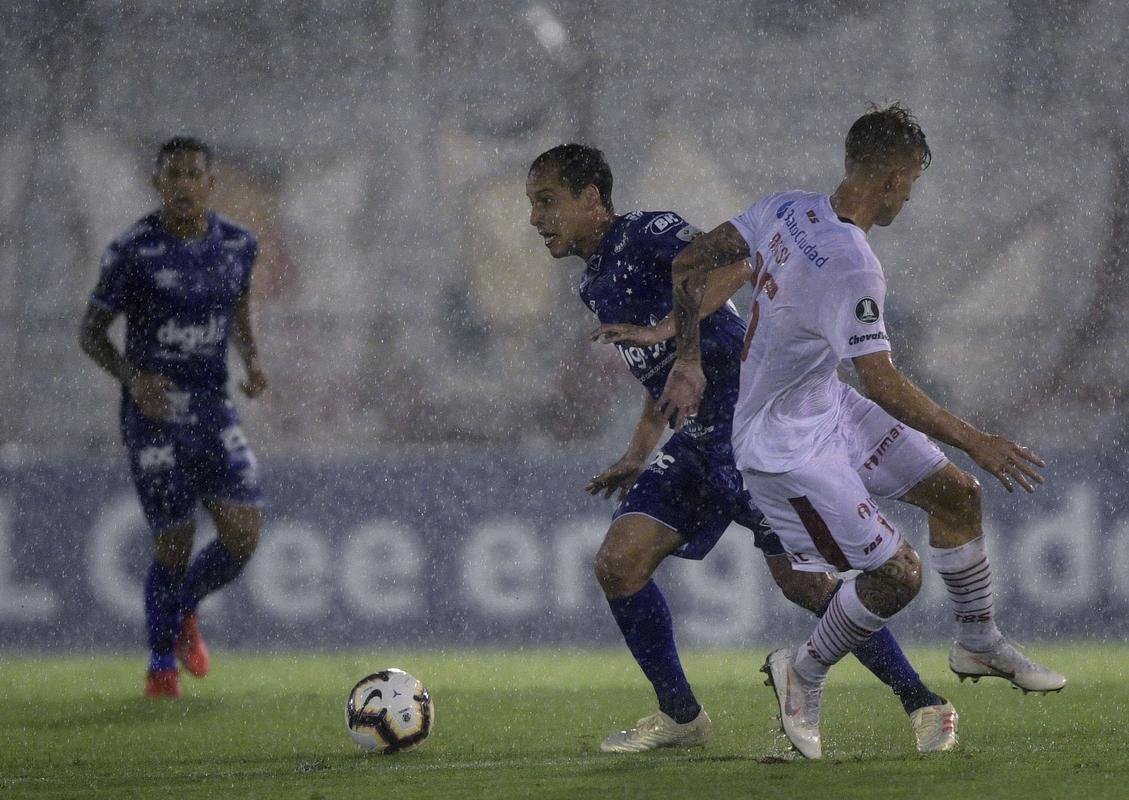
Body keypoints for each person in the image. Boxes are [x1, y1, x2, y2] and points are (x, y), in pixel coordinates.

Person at [657, 104, 1065, 760]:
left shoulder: (785, 208)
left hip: (827, 404)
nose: (909, 197)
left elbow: (685, 263)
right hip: (785, 446)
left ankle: (978, 641)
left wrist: (687, 358)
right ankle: (804, 670)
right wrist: (977, 440)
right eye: (911, 183)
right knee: (897, 577)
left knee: (957, 496)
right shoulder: (853, 266)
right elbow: (881, 381)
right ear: (893, 179)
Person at [526, 143, 957, 755]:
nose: (536, 218)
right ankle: (682, 717)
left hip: (752, 429)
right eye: (533, 205)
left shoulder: (647, 233)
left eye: (547, 201)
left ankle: (924, 703)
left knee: (806, 586)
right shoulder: (594, 281)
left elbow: (747, 261)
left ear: (591, 197)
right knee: (618, 564)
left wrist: (674, 336)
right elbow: (661, 374)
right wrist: (638, 450)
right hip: (698, 441)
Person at [79, 136, 266, 699]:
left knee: (243, 533)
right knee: (174, 541)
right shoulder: (133, 251)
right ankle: (161, 669)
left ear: (210, 183)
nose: (183, 184)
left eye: (193, 174)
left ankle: (184, 608)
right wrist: (132, 378)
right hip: (154, 415)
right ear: (157, 183)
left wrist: (252, 360)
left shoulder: (239, 244)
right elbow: (90, 333)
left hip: (212, 407)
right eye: (173, 174)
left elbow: (238, 304)